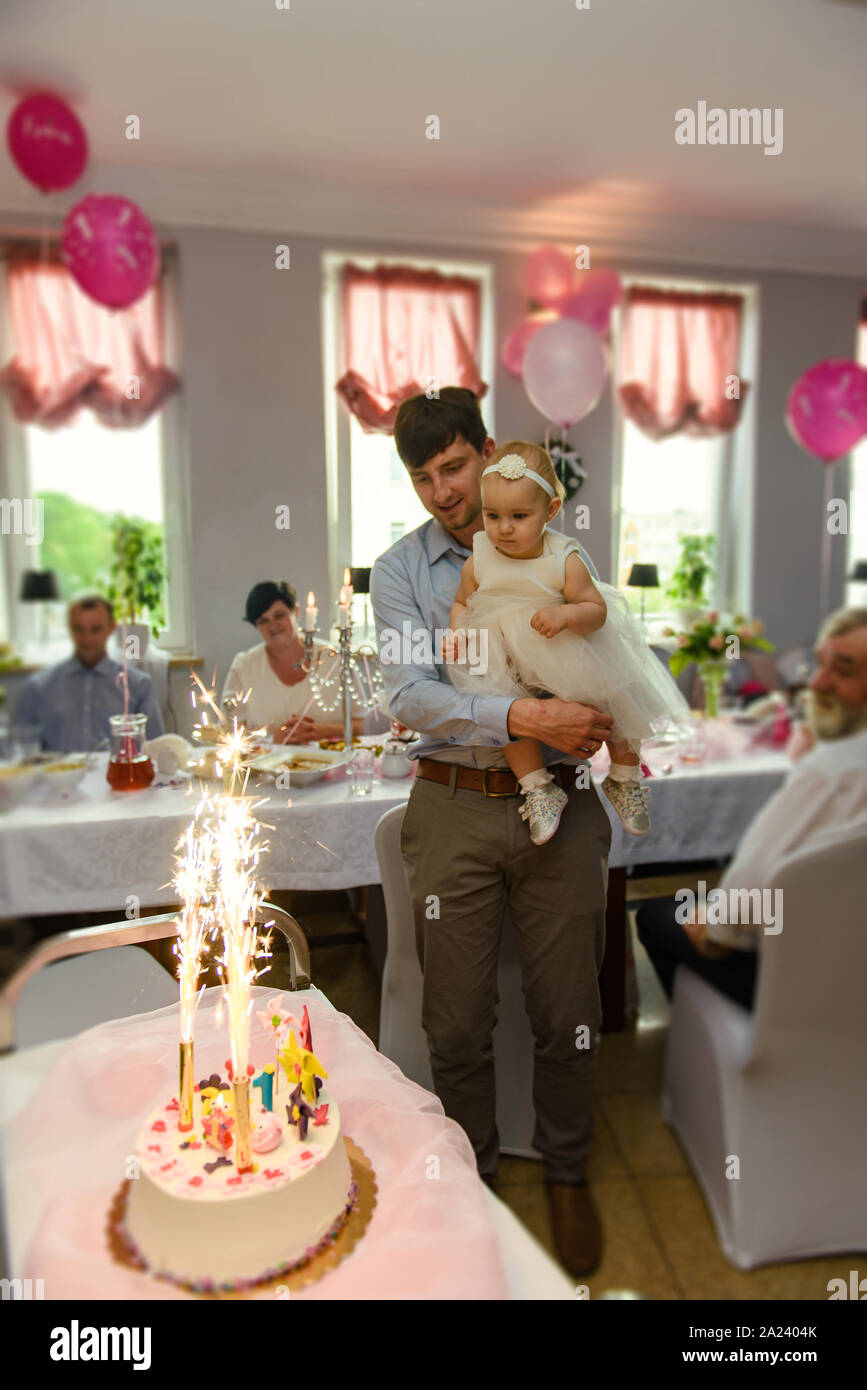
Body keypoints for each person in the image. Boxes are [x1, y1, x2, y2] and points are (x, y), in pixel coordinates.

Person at [370, 388, 614, 1276]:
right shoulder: (400, 571)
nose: (440, 490)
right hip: (450, 805)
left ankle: (566, 1169)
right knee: (456, 1019)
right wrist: (519, 712)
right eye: (421, 476)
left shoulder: (555, 546)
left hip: (562, 795)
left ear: (487, 452)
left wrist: (583, 724)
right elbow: (408, 697)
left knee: (567, 1010)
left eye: (453, 466)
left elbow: (598, 645)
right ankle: (470, 1180)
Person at [445, 441, 690, 845]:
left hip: (560, 645)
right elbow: (461, 602)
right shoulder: (480, 556)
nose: (504, 527)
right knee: (509, 717)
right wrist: (459, 634)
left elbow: (596, 609)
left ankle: (624, 775)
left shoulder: (563, 557)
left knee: (617, 693)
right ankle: (538, 787)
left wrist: (564, 615)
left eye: (519, 516)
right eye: (493, 515)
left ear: (551, 511)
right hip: (504, 655)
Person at [636, 606, 867, 1009]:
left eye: (843, 671)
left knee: (656, 916)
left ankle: (712, 1040)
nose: (817, 682)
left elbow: (742, 903)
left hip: (803, 979)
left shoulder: (831, 774)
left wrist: (713, 928)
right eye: (820, 665)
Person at [13, 595, 164, 753]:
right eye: (79, 629)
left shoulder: (140, 686)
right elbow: (22, 756)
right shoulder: (37, 687)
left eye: (95, 629)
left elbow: (155, 751)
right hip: (58, 776)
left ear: (112, 628)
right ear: (69, 628)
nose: (87, 639)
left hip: (119, 775)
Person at [222, 580, 365, 743]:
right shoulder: (244, 666)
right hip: (269, 763)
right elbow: (228, 731)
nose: (273, 625)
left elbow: (362, 724)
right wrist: (270, 737)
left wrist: (321, 731)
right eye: (263, 621)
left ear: (296, 612)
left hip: (332, 763)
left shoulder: (333, 657)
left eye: (279, 615)